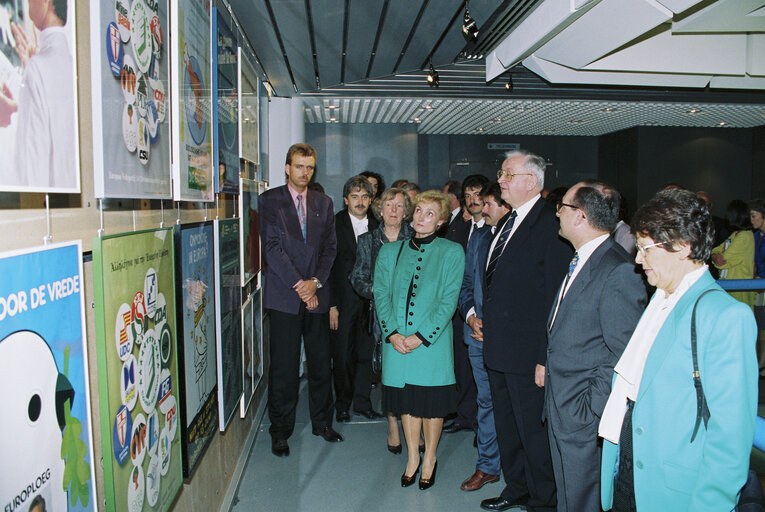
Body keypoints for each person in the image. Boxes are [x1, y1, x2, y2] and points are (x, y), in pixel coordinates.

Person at [599, 188, 758, 512]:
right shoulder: (660, 298)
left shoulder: (726, 316)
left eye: (645, 249)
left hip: (673, 490)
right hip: (631, 473)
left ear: (683, 247)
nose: (638, 259)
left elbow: (730, 437)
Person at [545, 181, 646, 511]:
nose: (557, 212)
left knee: (583, 499)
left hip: (582, 413)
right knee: (569, 497)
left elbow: (625, 352)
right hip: (563, 404)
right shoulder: (585, 258)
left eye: (562, 206)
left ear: (580, 215)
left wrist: (590, 408)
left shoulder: (617, 269)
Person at [480, 151, 572, 512]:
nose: (500, 180)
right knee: (508, 428)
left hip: (529, 354)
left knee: (533, 434)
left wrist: (543, 356)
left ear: (532, 181)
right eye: (501, 173)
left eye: (507, 174)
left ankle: (543, 500)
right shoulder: (508, 220)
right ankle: (516, 488)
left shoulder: (551, 224)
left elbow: (555, 297)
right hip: (500, 348)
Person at [374, 190, 465, 490]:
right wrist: (392, 333)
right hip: (396, 343)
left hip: (431, 344)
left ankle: (430, 458)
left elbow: (448, 300)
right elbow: (380, 294)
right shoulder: (390, 251)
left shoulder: (452, 252)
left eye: (430, 213)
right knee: (407, 404)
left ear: (441, 221)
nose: (422, 218)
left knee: (431, 405)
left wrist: (421, 337)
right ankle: (413, 457)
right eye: (419, 211)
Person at [259, 143, 342, 457]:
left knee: (321, 364)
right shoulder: (270, 200)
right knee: (284, 368)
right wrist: (300, 285)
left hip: (317, 295)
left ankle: (323, 423)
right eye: (299, 167)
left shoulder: (324, 202)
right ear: (286, 167)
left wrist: (315, 283)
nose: (305, 173)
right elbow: (272, 249)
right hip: (285, 296)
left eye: (309, 167)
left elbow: (330, 250)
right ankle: (280, 431)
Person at [349, 187, 415, 453]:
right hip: (380, 316)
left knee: (411, 371)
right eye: (389, 205)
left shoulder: (417, 237)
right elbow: (356, 278)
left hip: (413, 315)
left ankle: (415, 423)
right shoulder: (368, 240)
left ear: (406, 211)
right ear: (380, 209)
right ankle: (392, 424)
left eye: (399, 206)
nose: (394, 211)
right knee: (388, 371)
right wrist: (377, 290)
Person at [457, 183, 511, 491]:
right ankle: (488, 466)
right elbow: (466, 284)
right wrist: (471, 316)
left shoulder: (517, 241)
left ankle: (516, 470)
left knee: (511, 404)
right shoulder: (477, 236)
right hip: (476, 335)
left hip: (507, 338)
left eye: (488, 203)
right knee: (485, 400)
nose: (481, 208)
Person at [6, 0, 76, 189]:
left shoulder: (38, 68)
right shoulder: (73, 67)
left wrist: (34, 73)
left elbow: (30, 170)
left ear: (47, 2)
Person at [329, 176, 379, 422]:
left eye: (365, 197)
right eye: (355, 197)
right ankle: (342, 404)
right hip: (342, 301)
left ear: (371, 200)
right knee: (342, 355)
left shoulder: (379, 226)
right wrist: (331, 305)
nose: (360, 202)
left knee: (365, 354)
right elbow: (326, 267)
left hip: (371, 303)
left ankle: (362, 402)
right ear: (346, 199)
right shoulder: (333, 224)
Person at [443, 175, 489, 437]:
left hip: (484, 313)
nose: (473, 201)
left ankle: (481, 425)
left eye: (477, 195)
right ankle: (464, 415)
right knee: (462, 366)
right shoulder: (458, 228)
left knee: (482, 373)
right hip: (460, 308)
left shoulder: (495, 229)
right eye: (468, 196)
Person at [711, 199, 756, 310]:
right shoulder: (735, 234)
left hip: (740, 288)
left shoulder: (745, 236)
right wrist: (714, 256)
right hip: (730, 287)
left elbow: (724, 261)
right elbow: (715, 250)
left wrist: (716, 256)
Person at [749, 199, 765, 370]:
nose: (752, 220)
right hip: (757, 284)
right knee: (760, 323)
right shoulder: (754, 236)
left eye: (754, 216)